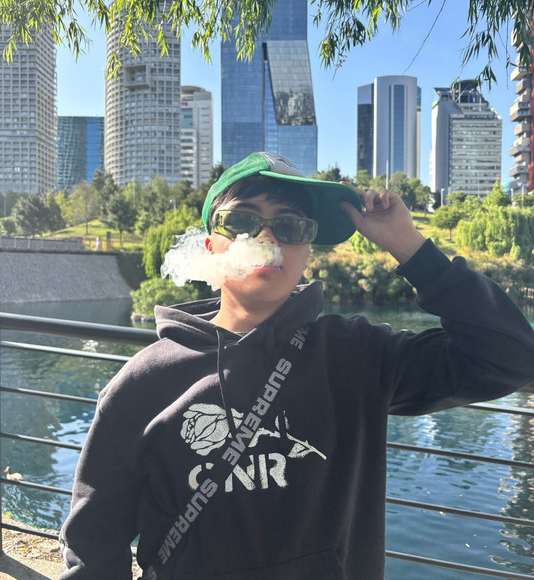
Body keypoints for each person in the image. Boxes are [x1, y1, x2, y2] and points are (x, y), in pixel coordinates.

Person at [59, 152, 534, 580]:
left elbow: (511, 358)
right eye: (241, 221)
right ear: (210, 246)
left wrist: (410, 247)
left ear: (306, 252)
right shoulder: (143, 382)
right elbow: (93, 546)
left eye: (291, 227)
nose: (267, 237)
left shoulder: (358, 355)